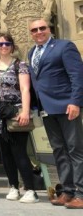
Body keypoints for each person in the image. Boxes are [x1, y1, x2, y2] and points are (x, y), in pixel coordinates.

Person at [28, 19, 83, 209]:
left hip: (66, 106)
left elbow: (77, 75)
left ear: (49, 29)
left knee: (75, 150)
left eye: (42, 28)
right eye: (34, 30)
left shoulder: (64, 46)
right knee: (59, 151)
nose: (39, 32)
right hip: (47, 108)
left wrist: (75, 101)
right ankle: (67, 192)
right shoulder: (31, 52)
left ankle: (81, 193)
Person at [0, 34, 38, 203]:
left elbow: (25, 89)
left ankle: (31, 189)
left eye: (7, 43)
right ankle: (13, 187)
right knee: (5, 153)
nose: (4, 46)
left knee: (19, 152)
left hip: (16, 111)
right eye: (0, 44)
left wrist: (25, 112)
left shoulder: (20, 64)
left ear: (12, 46)